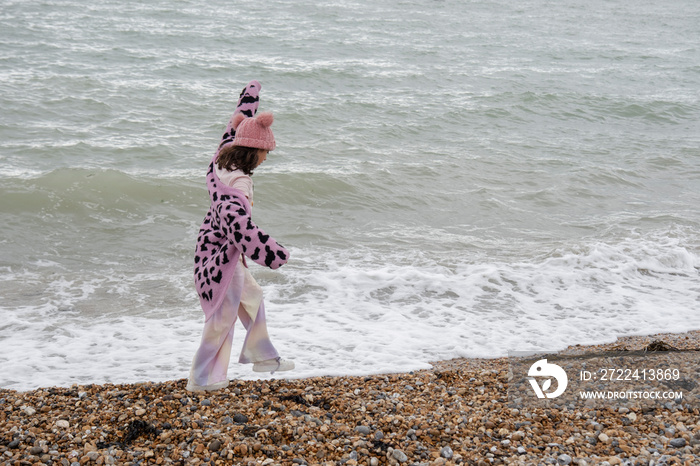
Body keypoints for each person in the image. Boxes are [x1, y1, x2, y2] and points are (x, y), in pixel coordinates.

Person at [187, 81, 294, 393]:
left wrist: (250, 97)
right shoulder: (240, 186)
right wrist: (274, 253)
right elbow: (240, 229)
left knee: (253, 297)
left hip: (215, 247)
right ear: (254, 152)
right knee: (220, 319)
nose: (266, 158)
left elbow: (235, 124)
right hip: (222, 257)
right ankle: (203, 379)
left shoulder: (221, 159)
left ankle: (264, 357)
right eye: (265, 152)